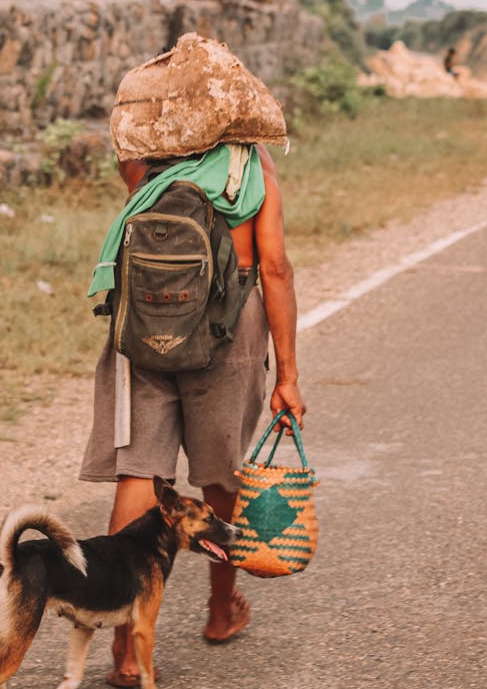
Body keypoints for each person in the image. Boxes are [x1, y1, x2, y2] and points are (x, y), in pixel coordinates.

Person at [80, 141, 305, 688]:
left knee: (140, 473)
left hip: (147, 326)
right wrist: (288, 377)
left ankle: (124, 650)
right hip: (230, 326)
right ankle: (219, 611)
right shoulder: (252, 166)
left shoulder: (143, 161)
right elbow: (273, 267)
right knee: (218, 472)